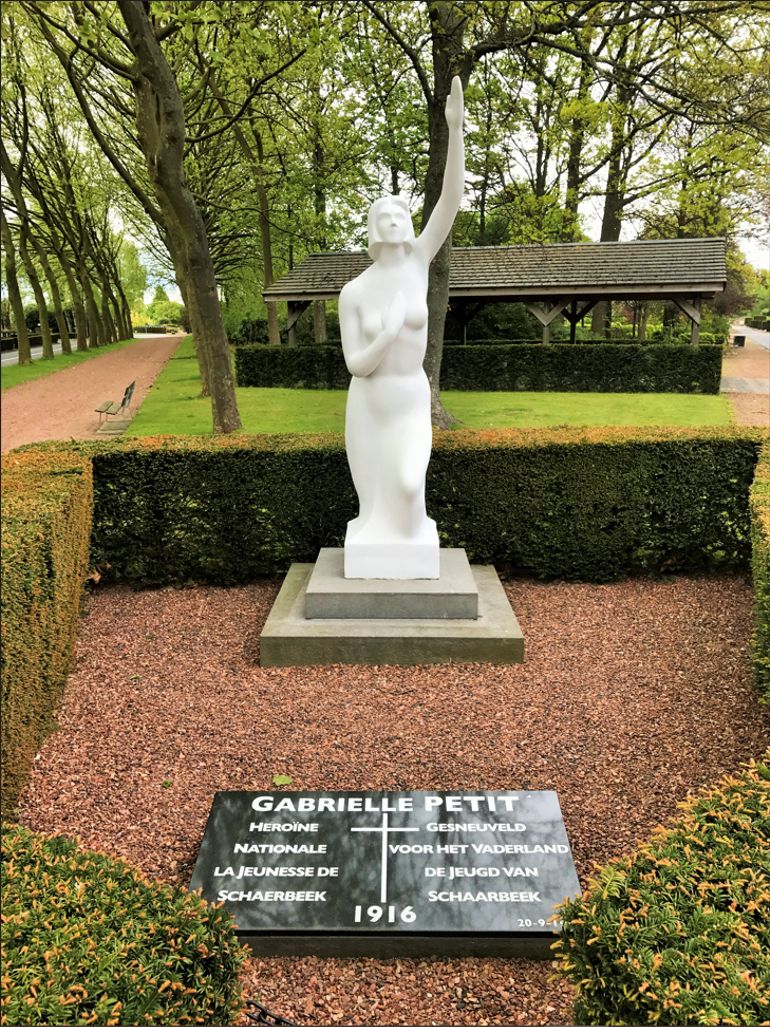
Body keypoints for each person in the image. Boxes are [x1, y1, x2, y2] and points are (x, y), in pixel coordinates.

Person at [340, 76, 465, 579]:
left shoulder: (418, 264)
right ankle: (377, 536)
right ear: (373, 227)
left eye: (401, 212)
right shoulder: (354, 292)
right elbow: (356, 364)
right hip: (369, 404)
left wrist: (455, 132)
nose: (396, 218)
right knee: (374, 508)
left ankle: (410, 530)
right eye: (385, 213)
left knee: (412, 487)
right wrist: (387, 333)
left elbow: (450, 202)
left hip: (410, 397)